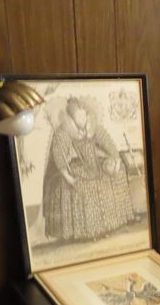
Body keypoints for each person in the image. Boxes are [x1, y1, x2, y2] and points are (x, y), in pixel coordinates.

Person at [42, 97, 135, 241]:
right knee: (86, 185)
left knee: (119, 172)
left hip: (93, 163)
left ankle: (115, 221)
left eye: (83, 115)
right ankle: (89, 231)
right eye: (78, 116)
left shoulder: (92, 125)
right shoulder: (63, 132)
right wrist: (69, 178)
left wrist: (116, 160)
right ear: (71, 118)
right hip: (70, 167)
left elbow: (107, 142)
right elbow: (60, 158)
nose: (82, 118)